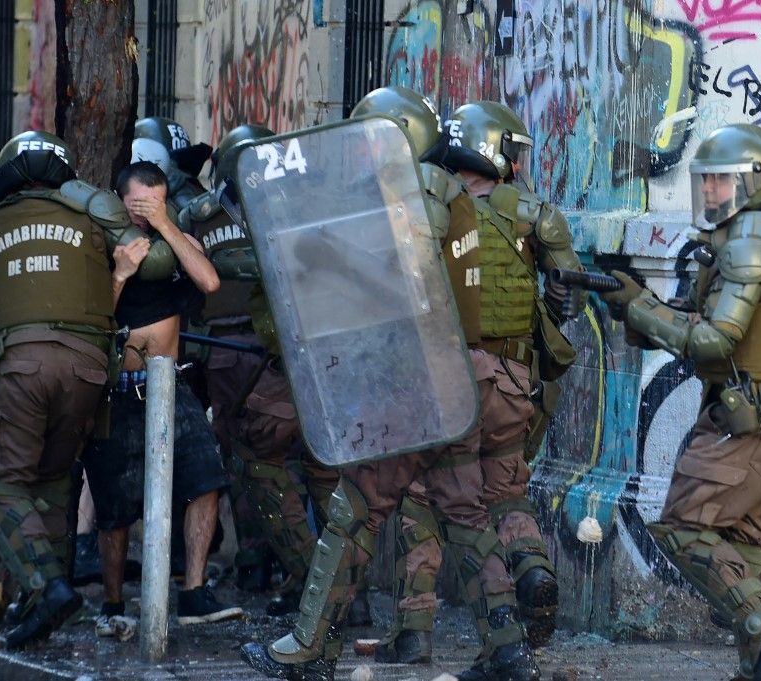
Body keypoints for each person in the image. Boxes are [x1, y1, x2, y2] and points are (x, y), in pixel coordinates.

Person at [238, 89, 542, 681]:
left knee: (356, 508)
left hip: (418, 379)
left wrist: (326, 254)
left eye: (365, 138)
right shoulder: (444, 187)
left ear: (395, 137)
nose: (354, 153)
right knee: (464, 511)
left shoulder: (421, 187)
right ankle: (507, 649)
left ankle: (308, 647)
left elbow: (406, 268)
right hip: (452, 375)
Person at [600, 124, 761, 680]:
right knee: (755, 541)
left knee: (683, 525)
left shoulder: (749, 239)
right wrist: (639, 308)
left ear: (758, 181)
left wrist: (642, 310)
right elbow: (696, 321)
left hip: (757, 415)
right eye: (708, 181)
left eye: (722, 180)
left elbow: (716, 339)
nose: (712, 192)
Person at [372, 97, 584, 665]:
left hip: (449, 378)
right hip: (514, 383)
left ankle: (416, 631)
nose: (517, 163)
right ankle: (533, 570)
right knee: (505, 493)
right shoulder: (534, 215)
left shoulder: (430, 198)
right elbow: (566, 299)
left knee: (424, 499)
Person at [0, 131, 165, 647]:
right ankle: (42, 612)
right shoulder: (94, 220)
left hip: (23, 366)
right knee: (54, 484)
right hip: (88, 371)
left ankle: (46, 588)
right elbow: (149, 260)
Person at [81, 161, 242, 635]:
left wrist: (167, 226)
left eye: (154, 204)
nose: (145, 215)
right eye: (137, 206)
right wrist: (119, 274)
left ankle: (193, 592)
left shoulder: (174, 242)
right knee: (115, 504)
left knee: (206, 478)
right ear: (119, 201)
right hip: (121, 389)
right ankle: (112, 604)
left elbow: (210, 282)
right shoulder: (105, 246)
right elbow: (92, 323)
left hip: (171, 384)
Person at [191, 125, 344, 615]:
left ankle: (312, 583)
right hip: (303, 352)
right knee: (319, 467)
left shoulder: (209, 214)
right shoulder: (302, 205)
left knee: (258, 462)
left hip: (255, 353)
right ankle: (337, 590)